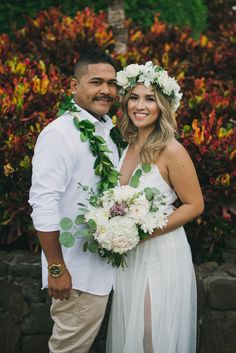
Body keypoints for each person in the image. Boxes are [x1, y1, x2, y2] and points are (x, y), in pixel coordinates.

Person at [106, 61, 204, 353]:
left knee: (151, 331)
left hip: (160, 251)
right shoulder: (127, 144)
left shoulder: (171, 149)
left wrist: (144, 232)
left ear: (162, 106)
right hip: (130, 253)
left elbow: (195, 204)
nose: (140, 105)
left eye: (149, 99)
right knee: (131, 330)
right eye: (134, 98)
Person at [29, 51, 119, 353]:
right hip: (76, 272)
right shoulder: (59, 134)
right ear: (73, 86)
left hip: (101, 268)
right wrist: (56, 267)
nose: (105, 90)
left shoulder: (107, 129)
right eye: (95, 82)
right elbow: (43, 203)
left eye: (111, 83)